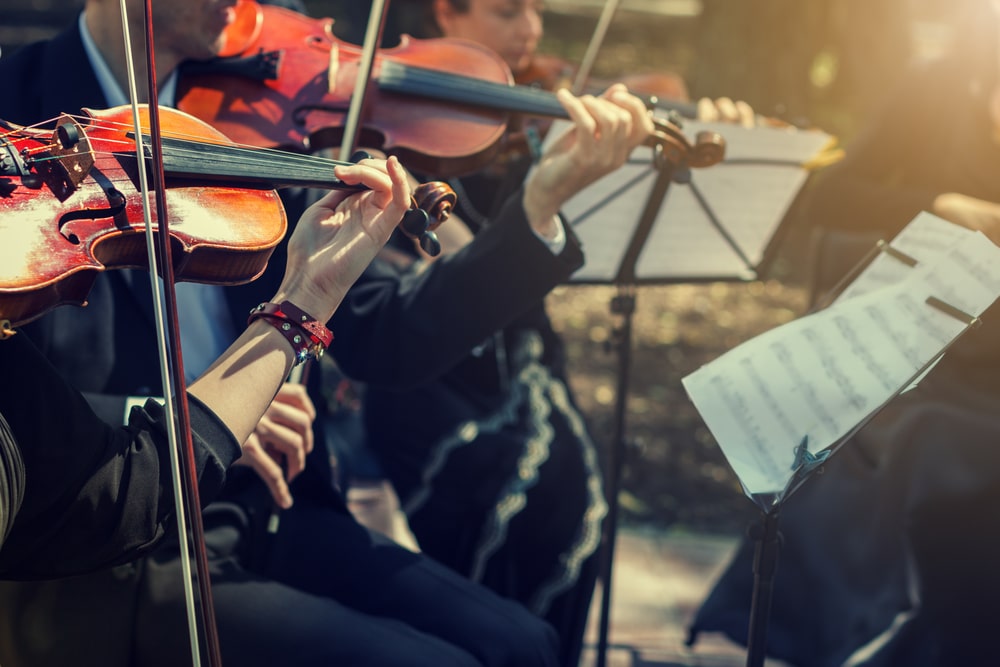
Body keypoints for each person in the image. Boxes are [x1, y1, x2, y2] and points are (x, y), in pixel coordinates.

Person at [0, 1, 652, 666]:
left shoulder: (244, 114)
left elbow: (386, 333)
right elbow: (16, 413)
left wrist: (536, 211)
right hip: (122, 545)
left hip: (271, 501)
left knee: (523, 643)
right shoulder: (15, 118)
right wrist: (187, 413)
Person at [312, 2, 753, 666]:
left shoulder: (520, 118)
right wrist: (539, 193)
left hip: (520, 357)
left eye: (538, 10)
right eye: (507, 9)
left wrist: (687, 129)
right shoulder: (379, 128)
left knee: (577, 489)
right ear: (442, 12)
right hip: (432, 380)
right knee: (527, 504)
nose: (533, 30)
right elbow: (404, 306)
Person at [688, 2, 1000, 665]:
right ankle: (859, 637)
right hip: (941, 350)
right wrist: (943, 205)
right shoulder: (939, 85)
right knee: (910, 434)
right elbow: (833, 196)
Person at [0, 157, 411, 579]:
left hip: (275, 498)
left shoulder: (234, 136)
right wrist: (303, 301)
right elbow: (106, 488)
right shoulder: (29, 159)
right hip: (133, 555)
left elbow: (391, 335)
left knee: (478, 631)